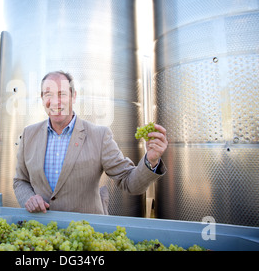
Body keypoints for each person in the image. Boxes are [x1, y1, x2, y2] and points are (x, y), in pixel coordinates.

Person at [13, 71, 168, 214]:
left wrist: (151, 160)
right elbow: (21, 181)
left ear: (73, 96)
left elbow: (130, 183)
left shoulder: (99, 136)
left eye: (62, 94)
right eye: (48, 94)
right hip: (42, 234)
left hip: (86, 232)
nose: (55, 101)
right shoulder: (29, 134)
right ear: (42, 98)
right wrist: (29, 198)